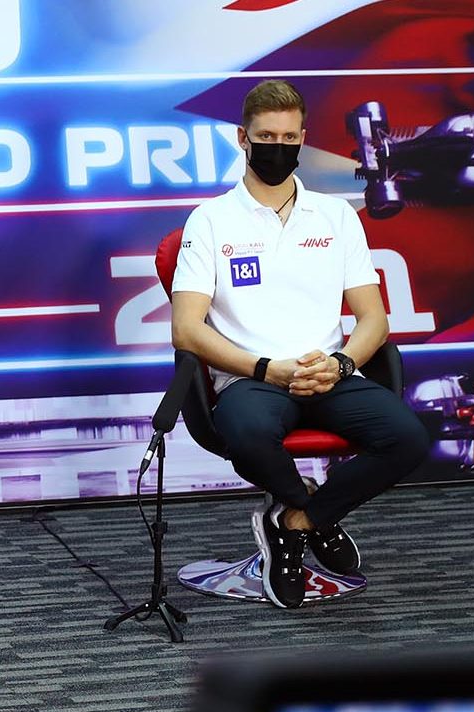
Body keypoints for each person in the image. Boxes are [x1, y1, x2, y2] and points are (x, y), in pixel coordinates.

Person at [169, 79, 429, 609]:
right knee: (245, 433)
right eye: (266, 136)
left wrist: (340, 362)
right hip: (252, 378)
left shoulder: (335, 217)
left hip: (329, 373)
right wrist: (269, 370)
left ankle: (298, 521)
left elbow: (373, 318)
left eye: (289, 137)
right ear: (243, 138)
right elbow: (187, 329)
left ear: (303, 138)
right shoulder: (211, 219)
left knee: (408, 438)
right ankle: (309, 511)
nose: (278, 147)